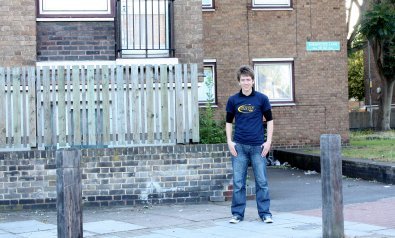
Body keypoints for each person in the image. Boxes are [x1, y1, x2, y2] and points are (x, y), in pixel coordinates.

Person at [225, 65, 274, 224]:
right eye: (243, 80)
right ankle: (237, 214)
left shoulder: (262, 99)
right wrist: (229, 142)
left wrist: (268, 142)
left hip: (258, 147)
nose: (246, 82)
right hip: (239, 147)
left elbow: (271, 121)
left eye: (248, 79)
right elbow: (228, 123)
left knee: (262, 182)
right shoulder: (233, 100)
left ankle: (265, 214)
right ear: (239, 82)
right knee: (238, 183)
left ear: (253, 81)